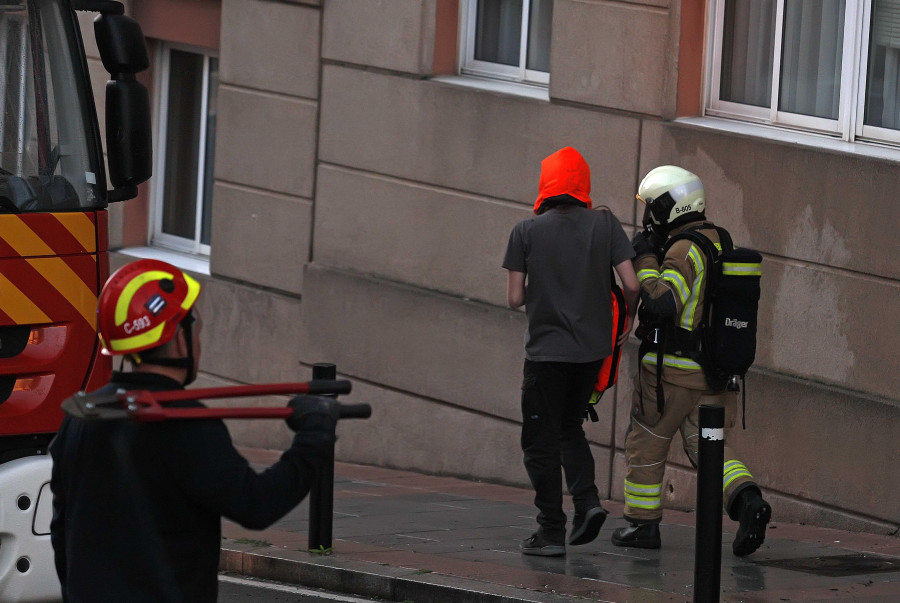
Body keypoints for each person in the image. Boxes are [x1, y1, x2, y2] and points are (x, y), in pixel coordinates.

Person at [50, 259, 336, 601]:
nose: (199, 343)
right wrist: (313, 439)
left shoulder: (80, 417)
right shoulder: (185, 423)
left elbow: (61, 530)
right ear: (178, 339)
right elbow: (256, 505)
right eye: (196, 330)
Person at [612, 165, 771, 556]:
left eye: (653, 207)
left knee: (645, 444)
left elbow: (662, 300)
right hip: (713, 375)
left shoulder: (684, 249)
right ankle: (748, 501)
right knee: (709, 448)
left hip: (672, 374)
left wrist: (645, 257)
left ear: (671, 207)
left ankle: (642, 526)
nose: (649, 216)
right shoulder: (719, 239)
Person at [503, 146, 640, 556]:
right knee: (570, 429)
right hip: (591, 354)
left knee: (540, 443)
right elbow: (632, 284)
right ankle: (588, 503)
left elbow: (514, 298)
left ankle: (550, 532)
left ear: (546, 185)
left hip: (546, 356)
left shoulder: (526, 232)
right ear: (583, 184)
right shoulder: (605, 223)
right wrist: (628, 317)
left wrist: (544, 287)